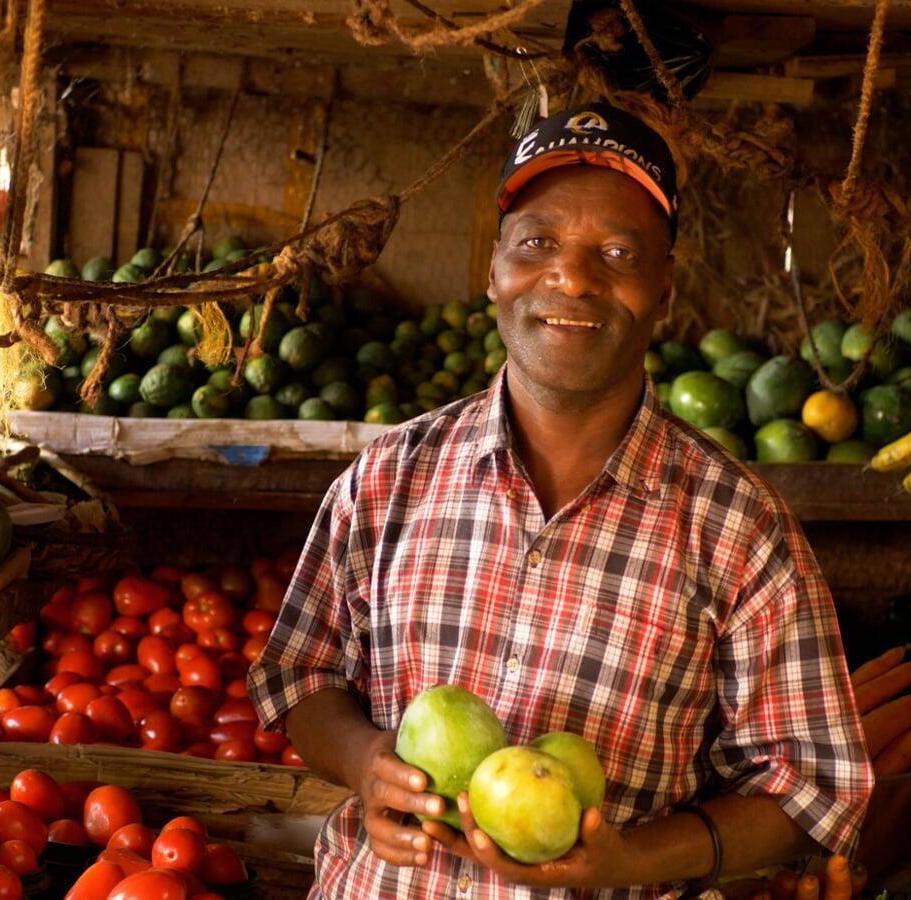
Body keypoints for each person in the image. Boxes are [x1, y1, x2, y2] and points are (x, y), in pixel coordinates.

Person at [247, 102, 873, 899]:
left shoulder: (739, 528)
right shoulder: (389, 478)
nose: (572, 277)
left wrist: (634, 860)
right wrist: (367, 762)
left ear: (664, 287)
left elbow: (813, 792)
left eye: (616, 251)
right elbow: (302, 675)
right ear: (494, 269)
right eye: (538, 243)